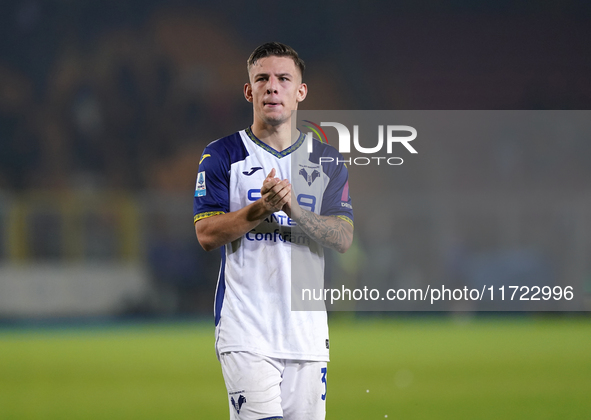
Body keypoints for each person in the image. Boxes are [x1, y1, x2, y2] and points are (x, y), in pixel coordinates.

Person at [193, 42, 353, 420]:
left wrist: (294, 208)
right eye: (262, 79)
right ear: (249, 91)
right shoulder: (222, 155)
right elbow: (206, 234)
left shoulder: (327, 161)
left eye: (284, 79)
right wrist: (261, 208)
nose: (272, 87)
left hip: (307, 333)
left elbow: (343, 237)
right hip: (246, 329)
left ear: (300, 92)